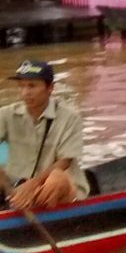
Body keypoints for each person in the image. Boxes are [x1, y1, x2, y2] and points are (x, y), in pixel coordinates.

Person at [0, 61, 88, 210]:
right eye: (21, 86)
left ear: (50, 88)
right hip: (15, 188)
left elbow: (64, 162)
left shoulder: (70, 117)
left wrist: (32, 185)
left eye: (32, 86)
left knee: (57, 179)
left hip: (53, 188)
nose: (25, 93)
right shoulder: (6, 114)